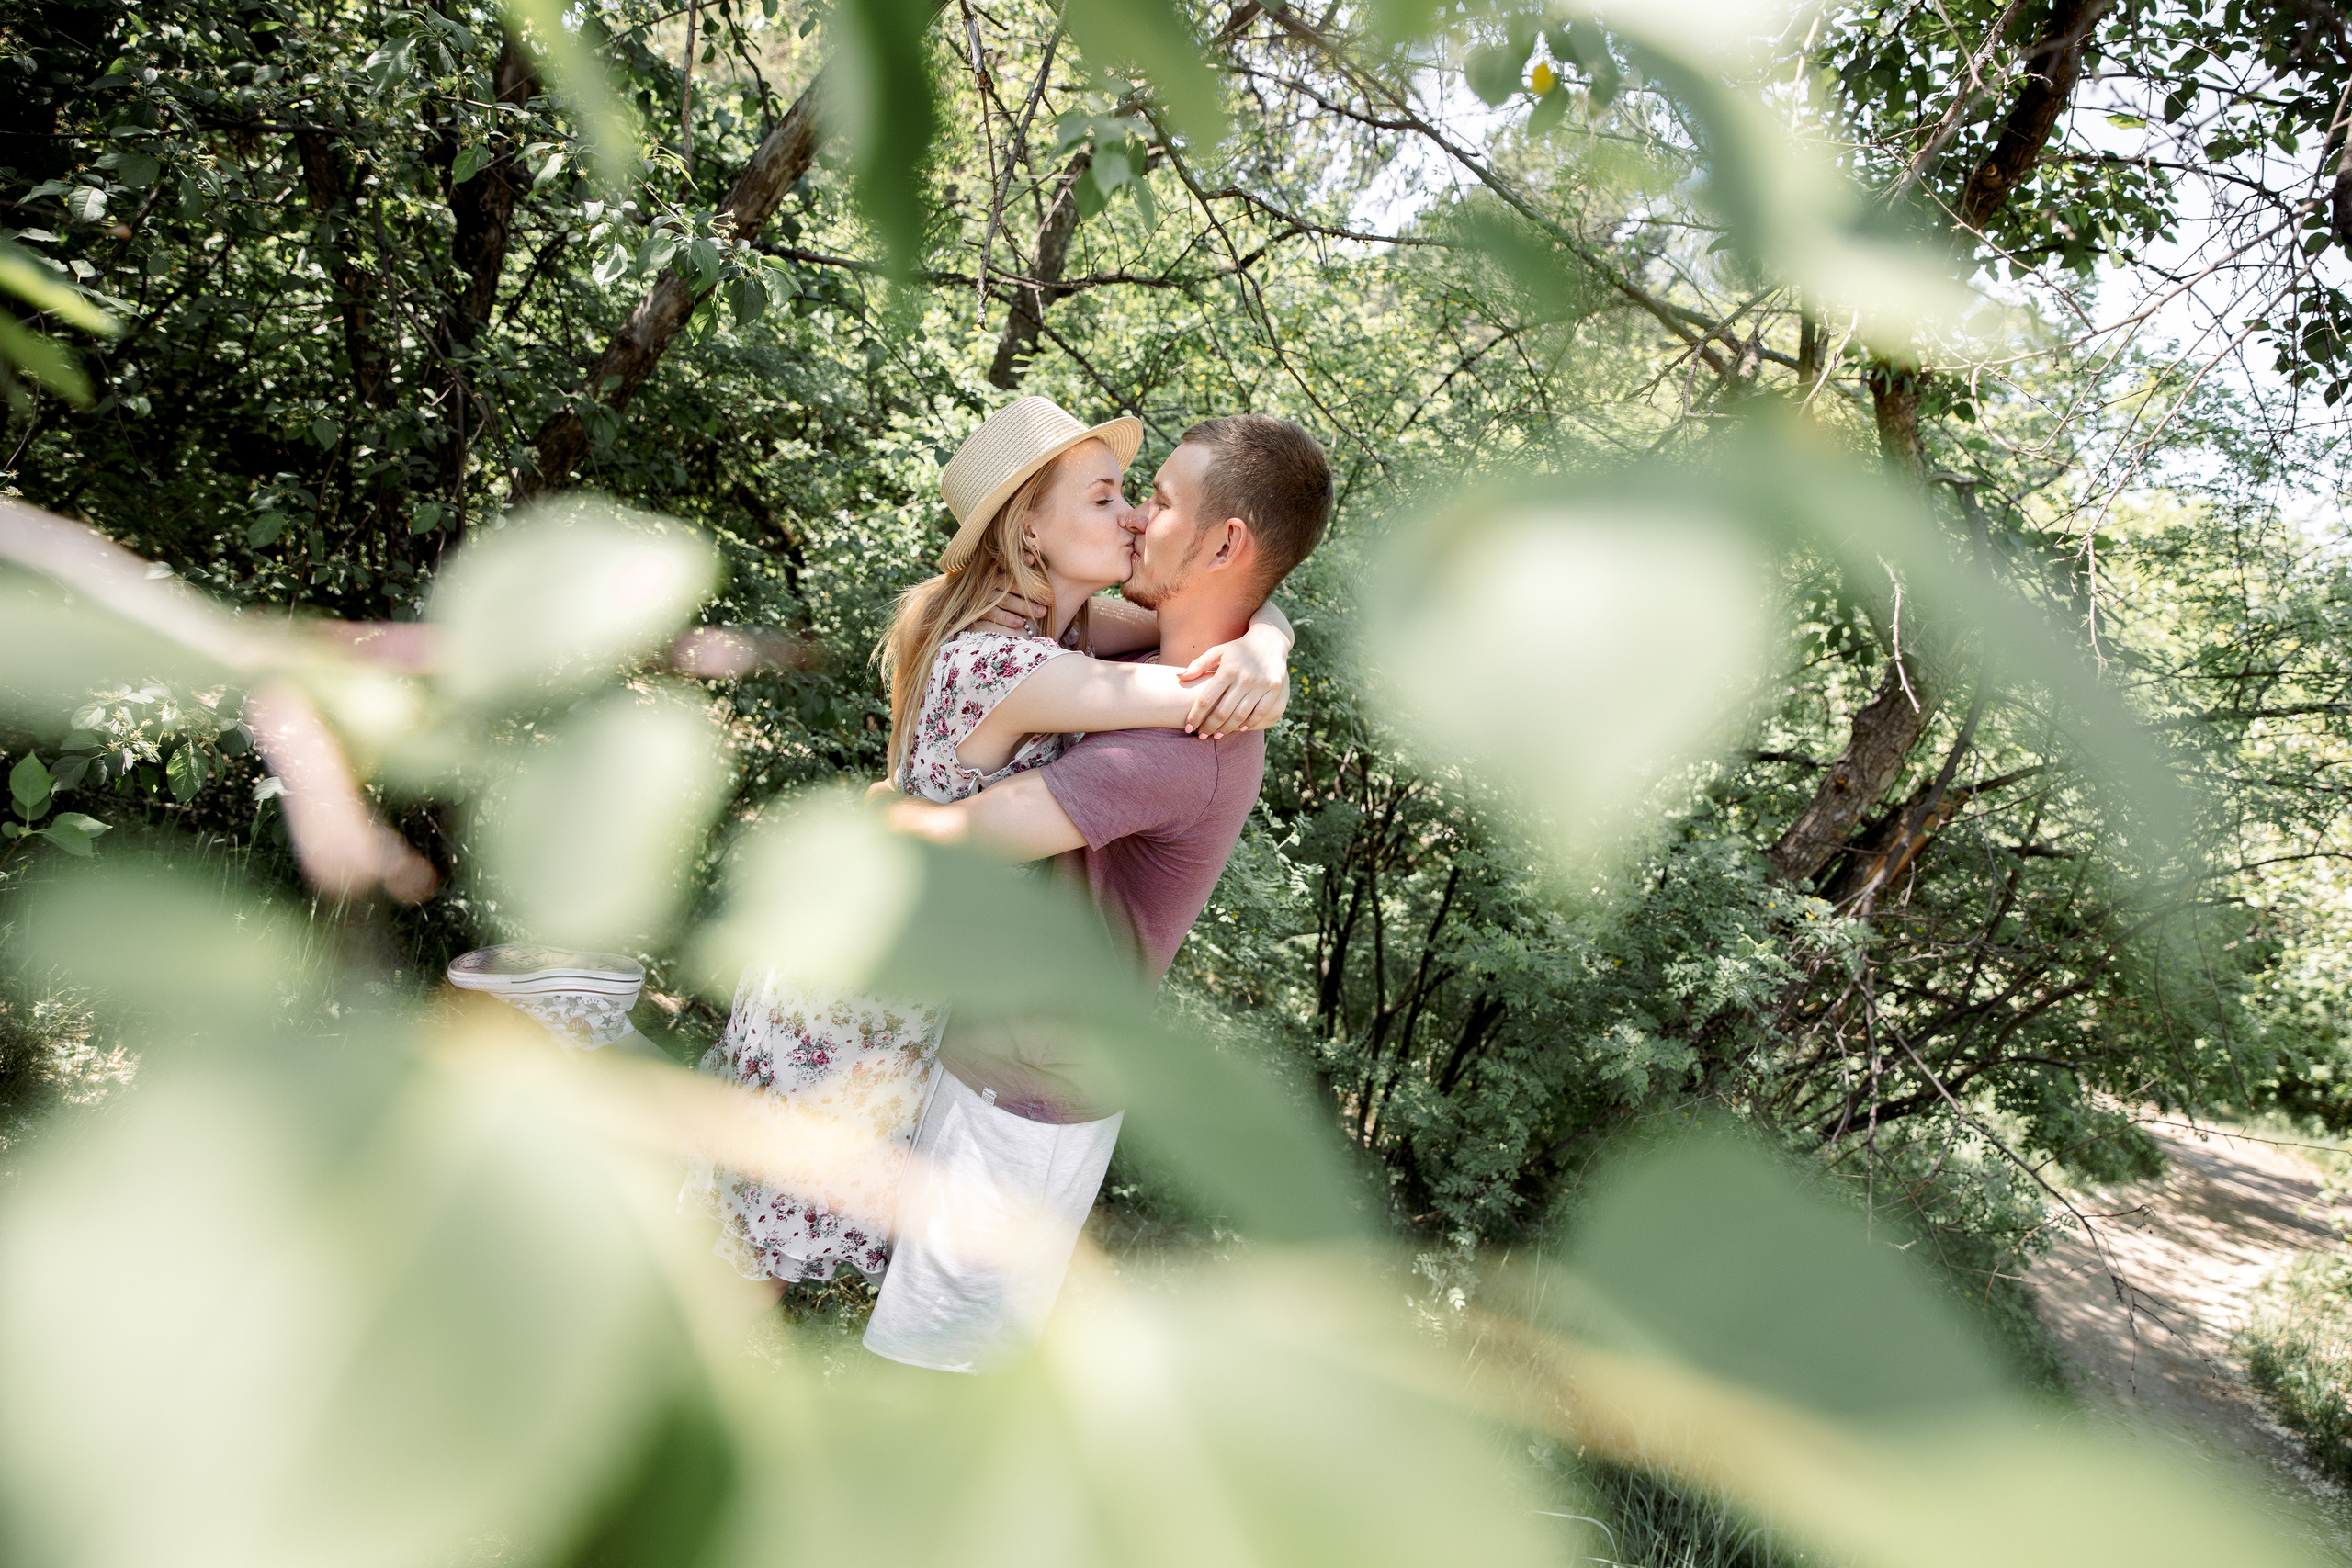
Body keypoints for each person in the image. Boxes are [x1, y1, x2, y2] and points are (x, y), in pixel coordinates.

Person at [693, 396, 1298, 1293]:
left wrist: (1271, 640)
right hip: (858, 997)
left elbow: (1227, 618)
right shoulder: (1007, 669)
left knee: (762, 1249)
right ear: (1030, 532)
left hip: (902, 988)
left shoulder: (1066, 633)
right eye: (1103, 498)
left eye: (1131, 494)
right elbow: (1200, 694)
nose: (1131, 515)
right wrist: (1265, 669)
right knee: (754, 1258)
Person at [862, 412, 1333, 1372]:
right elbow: (1250, 608)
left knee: (936, 1382)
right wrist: (1266, 643)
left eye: (1155, 501)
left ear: (1224, 542)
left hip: (1026, 1099)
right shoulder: (1140, 664)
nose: (1135, 520)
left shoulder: (1171, 748)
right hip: (999, 1060)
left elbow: (952, 839)